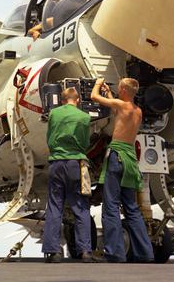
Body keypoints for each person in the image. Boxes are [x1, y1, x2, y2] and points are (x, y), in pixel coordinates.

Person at [91, 77, 154, 263]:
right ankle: (145, 253)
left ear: (124, 90)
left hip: (116, 156)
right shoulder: (137, 111)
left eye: (119, 88)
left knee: (110, 206)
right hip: (130, 160)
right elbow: (117, 109)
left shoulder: (121, 104)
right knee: (132, 208)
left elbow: (94, 97)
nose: (117, 91)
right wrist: (109, 94)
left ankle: (115, 253)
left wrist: (97, 83)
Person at [42, 86, 97, 263]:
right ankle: (86, 252)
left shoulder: (54, 114)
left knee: (54, 206)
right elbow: (85, 142)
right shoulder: (84, 117)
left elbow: (49, 136)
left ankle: (53, 251)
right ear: (78, 100)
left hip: (56, 162)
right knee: (80, 207)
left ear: (63, 99)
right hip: (76, 164)